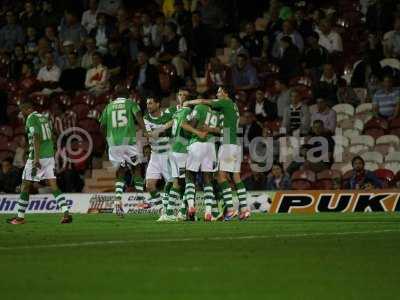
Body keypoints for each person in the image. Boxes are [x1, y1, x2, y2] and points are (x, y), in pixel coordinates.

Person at [186, 85, 250, 221]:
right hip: (236, 143)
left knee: (221, 177)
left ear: (226, 93)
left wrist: (189, 102)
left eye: (219, 92)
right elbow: (224, 127)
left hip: (227, 143)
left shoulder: (225, 102)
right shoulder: (233, 107)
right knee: (236, 177)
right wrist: (211, 128)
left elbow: (203, 101)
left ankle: (231, 209)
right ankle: (244, 209)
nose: (217, 94)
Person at [7, 101, 72, 224]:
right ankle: (66, 212)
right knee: (53, 185)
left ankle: (20, 217)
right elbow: (53, 135)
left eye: (22, 111)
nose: (22, 114)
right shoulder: (44, 118)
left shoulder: (31, 119)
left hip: (37, 157)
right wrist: (51, 150)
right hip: (48, 156)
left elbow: (36, 136)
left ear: (28, 109)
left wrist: (36, 158)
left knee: (25, 185)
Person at [99, 88, 145, 217]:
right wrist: (145, 130)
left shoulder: (109, 106)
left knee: (120, 172)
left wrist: (107, 139)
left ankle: (118, 202)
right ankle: (140, 200)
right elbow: (138, 116)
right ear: (128, 95)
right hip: (128, 141)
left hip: (113, 144)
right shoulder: (130, 103)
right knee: (137, 167)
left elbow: (102, 126)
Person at [156, 88, 193, 222]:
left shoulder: (188, 111)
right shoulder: (179, 112)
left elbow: (188, 127)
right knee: (179, 181)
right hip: (175, 149)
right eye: (180, 94)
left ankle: (173, 212)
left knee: (179, 181)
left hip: (182, 149)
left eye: (184, 95)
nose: (181, 97)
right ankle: (179, 212)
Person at [184, 103, 220, 221]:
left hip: (197, 143)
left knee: (190, 176)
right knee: (208, 179)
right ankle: (208, 212)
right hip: (210, 146)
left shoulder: (199, 108)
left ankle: (190, 206)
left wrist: (195, 131)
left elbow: (189, 125)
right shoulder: (216, 113)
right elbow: (219, 131)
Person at [143, 96, 174, 211]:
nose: (148, 106)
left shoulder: (167, 116)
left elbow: (175, 120)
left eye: (150, 103)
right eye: (147, 103)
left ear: (158, 104)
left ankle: (181, 208)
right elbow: (151, 135)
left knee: (172, 184)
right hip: (155, 155)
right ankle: (162, 209)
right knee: (149, 185)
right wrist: (163, 128)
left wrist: (160, 129)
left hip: (168, 154)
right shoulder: (146, 118)